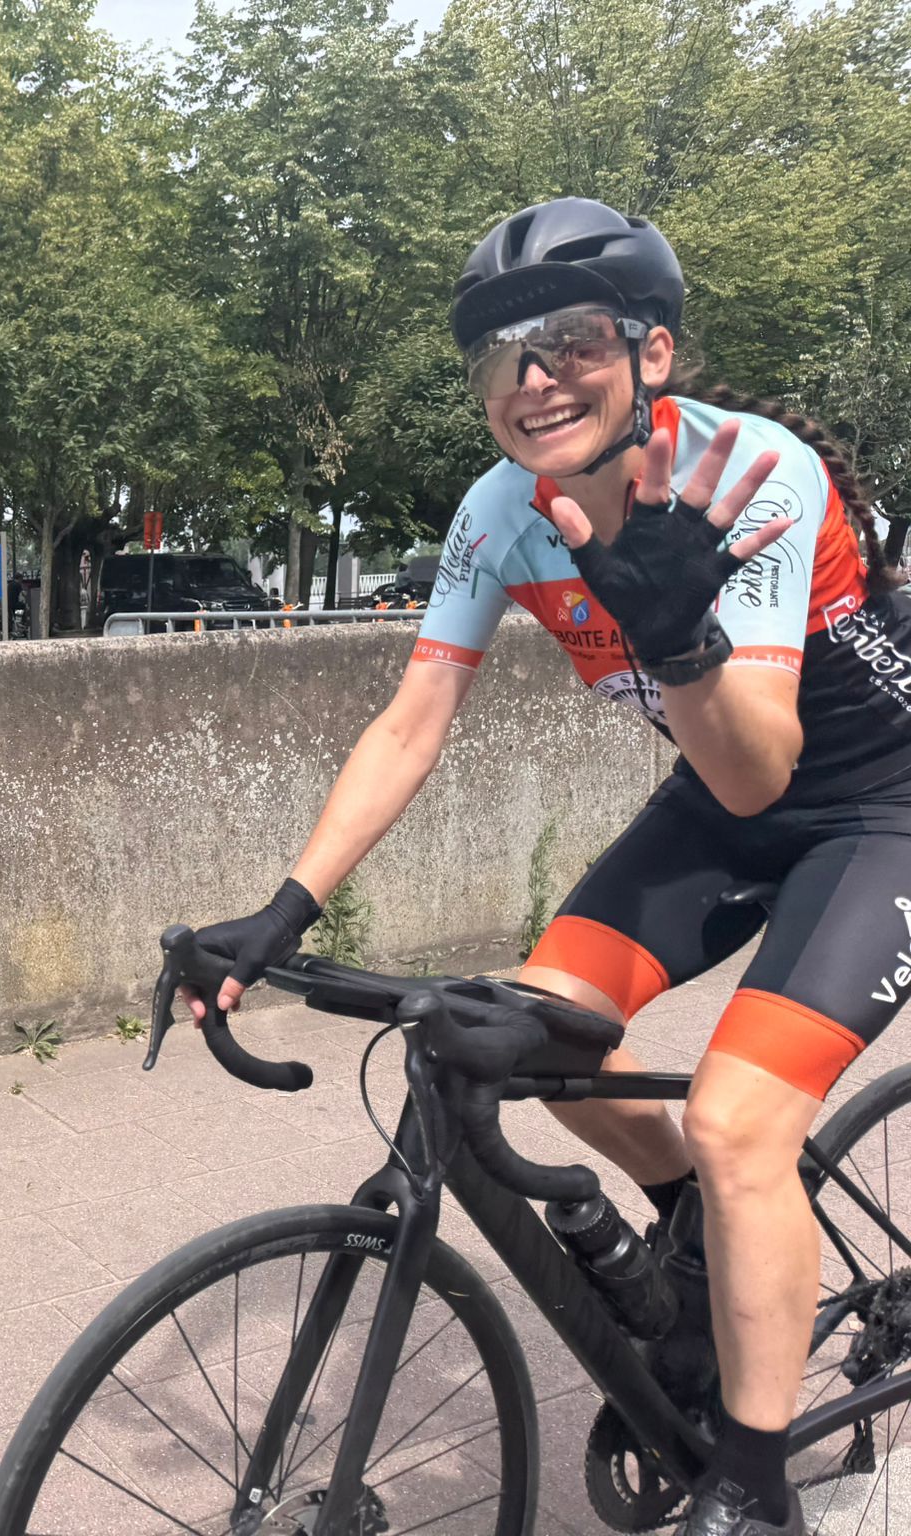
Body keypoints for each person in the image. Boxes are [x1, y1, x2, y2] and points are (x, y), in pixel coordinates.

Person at [183, 198, 911, 1536]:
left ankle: (756, 1489)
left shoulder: (749, 476)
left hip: (878, 813)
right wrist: (284, 909)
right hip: (720, 806)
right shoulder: (499, 513)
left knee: (742, 1120)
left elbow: (760, 769)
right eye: (499, 356)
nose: (531, 378)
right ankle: (691, 1228)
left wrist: (675, 632)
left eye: (569, 340)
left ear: (651, 353)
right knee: (530, 1030)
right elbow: (412, 722)